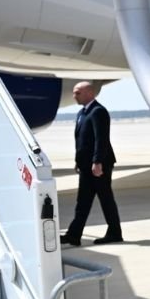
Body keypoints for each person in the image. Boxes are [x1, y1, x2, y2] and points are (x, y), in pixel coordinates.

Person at [60, 81, 122, 246]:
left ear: (89, 93)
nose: (74, 96)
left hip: (99, 165)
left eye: (78, 93)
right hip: (86, 166)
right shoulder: (82, 113)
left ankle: (115, 233)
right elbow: (82, 141)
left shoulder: (98, 111)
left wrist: (97, 162)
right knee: (83, 202)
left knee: (105, 199)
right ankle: (74, 236)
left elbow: (101, 139)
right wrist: (78, 161)